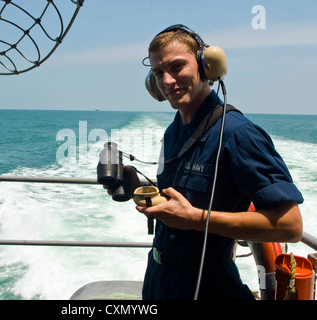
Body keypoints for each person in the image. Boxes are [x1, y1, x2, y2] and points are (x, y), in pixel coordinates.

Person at [106, 25, 304, 300]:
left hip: (205, 285)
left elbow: (290, 226)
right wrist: (139, 190)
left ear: (206, 67)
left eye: (177, 67)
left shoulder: (237, 134)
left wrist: (196, 219)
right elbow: (179, 203)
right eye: (158, 72)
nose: (167, 80)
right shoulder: (174, 131)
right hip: (159, 280)